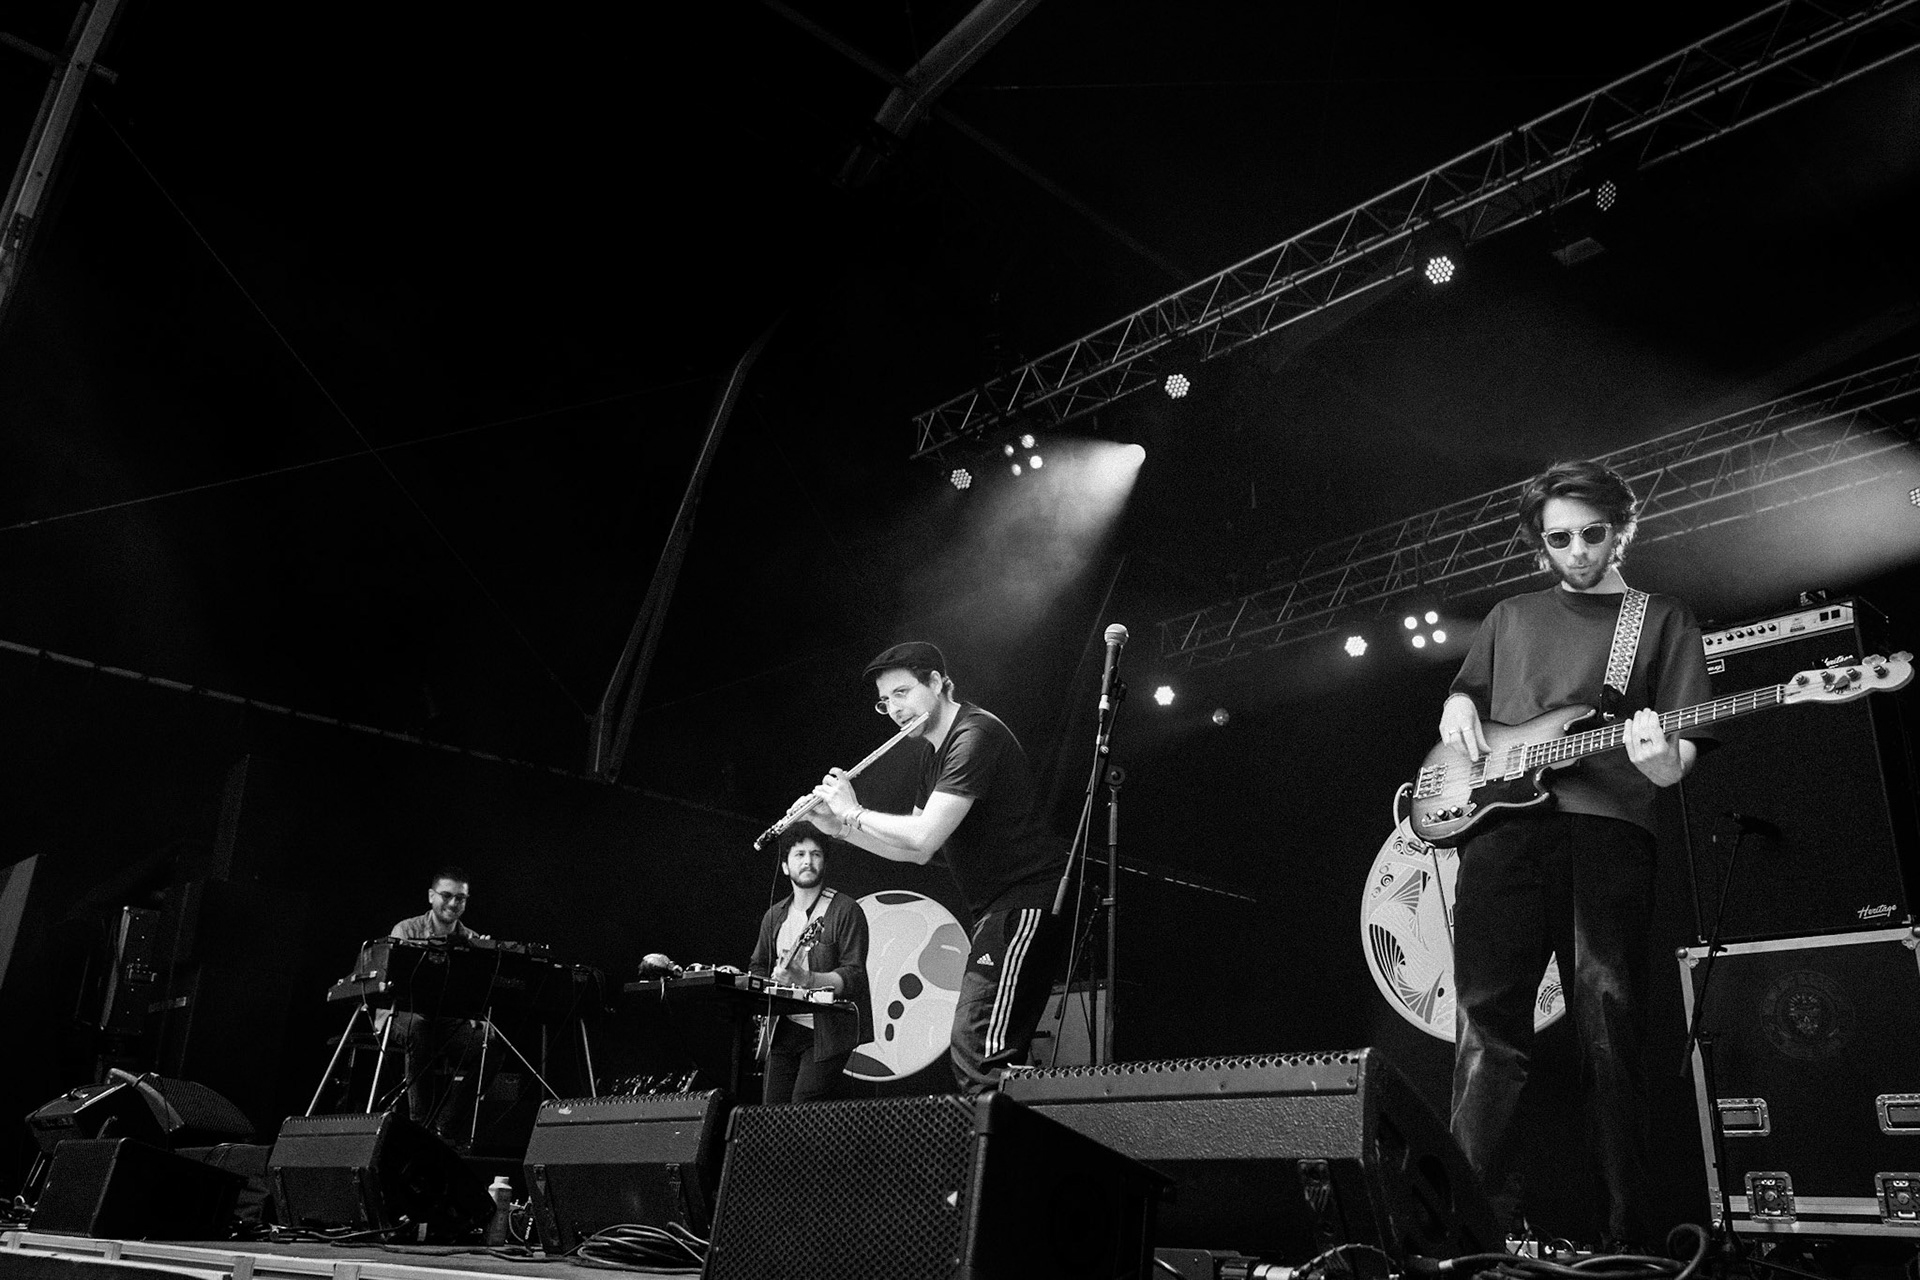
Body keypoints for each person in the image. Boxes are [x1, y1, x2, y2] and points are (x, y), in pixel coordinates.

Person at [1437, 460, 1715, 1249]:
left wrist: (1663, 759)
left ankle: (1625, 1241)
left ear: (1621, 529)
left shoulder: (1659, 617)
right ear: (1540, 545)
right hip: (1501, 832)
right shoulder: (1510, 613)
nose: (1579, 551)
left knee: (1609, 1021)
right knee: (1486, 1026)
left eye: (1593, 534)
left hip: (1608, 826)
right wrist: (1459, 699)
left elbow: (1678, 755)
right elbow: (1470, 698)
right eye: (1559, 539)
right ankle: (1473, 1235)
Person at [806, 641, 1069, 1095]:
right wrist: (838, 829)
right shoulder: (932, 752)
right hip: (998, 909)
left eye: (903, 693)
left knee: (977, 1046)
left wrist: (852, 811)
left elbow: (924, 834)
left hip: (1025, 902)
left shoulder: (974, 736)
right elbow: (917, 852)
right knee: (986, 1051)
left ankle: (1012, 1157)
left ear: (938, 682)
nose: (893, 710)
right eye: (885, 701)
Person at [747, 822, 869, 1104]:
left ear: (824, 862)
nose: (808, 861)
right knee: (771, 1112)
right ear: (786, 866)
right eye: (799, 854)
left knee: (804, 1107)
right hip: (781, 1029)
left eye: (815, 854)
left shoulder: (845, 910)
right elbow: (758, 966)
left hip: (827, 1030)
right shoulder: (774, 916)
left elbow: (854, 977)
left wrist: (806, 978)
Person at [381, 867, 488, 1144]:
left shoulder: (473, 939)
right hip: (404, 1015)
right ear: (431, 896)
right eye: (447, 895)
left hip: (446, 1021)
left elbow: (476, 993)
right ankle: (421, 1129)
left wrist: (476, 1011)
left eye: (461, 898)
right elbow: (392, 984)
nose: (454, 903)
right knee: (418, 1028)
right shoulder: (406, 929)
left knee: (491, 1044)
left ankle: (446, 1126)